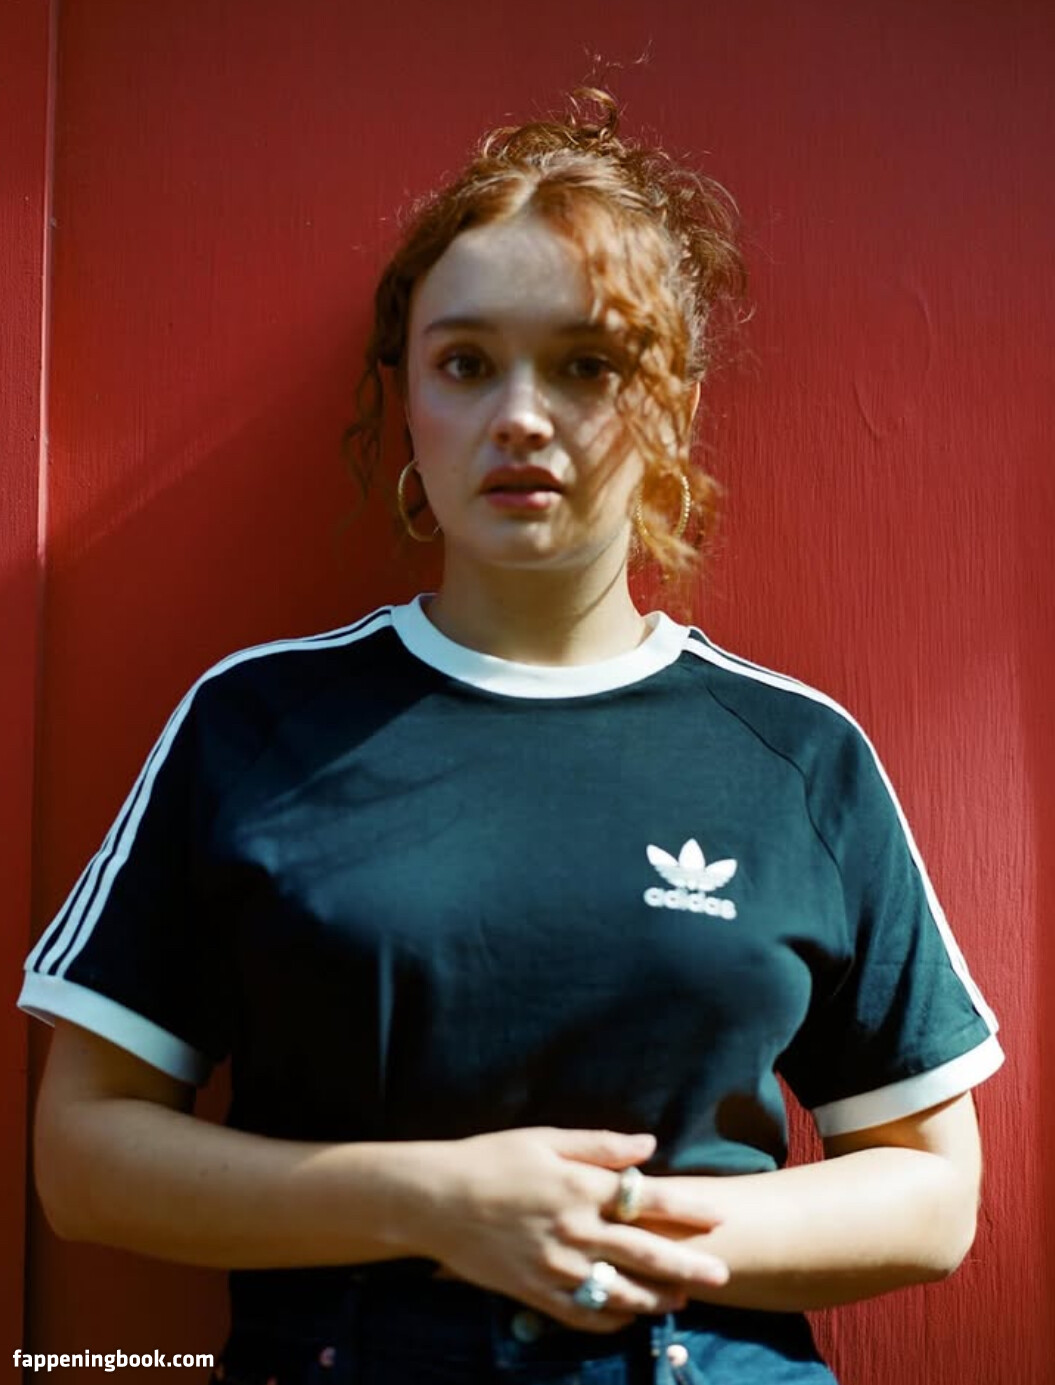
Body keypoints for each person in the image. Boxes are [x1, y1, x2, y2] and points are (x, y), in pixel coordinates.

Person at [20, 90, 1003, 1385]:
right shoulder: (256, 723)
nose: (521, 416)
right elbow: (84, 1155)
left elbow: (932, 1191)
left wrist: (612, 1228)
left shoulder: (795, 756)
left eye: (587, 365)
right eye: (467, 363)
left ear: (672, 407)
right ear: (406, 399)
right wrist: (437, 1203)